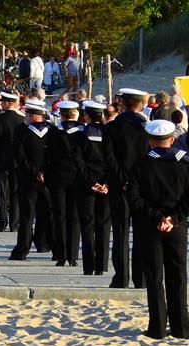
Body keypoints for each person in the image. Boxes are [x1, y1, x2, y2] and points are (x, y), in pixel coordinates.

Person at [127, 119, 189, 339]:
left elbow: (134, 198)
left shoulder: (141, 164)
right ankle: (181, 327)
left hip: (150, 226)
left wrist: (158, 217)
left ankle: (157, 327)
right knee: (177, 276)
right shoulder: (185, 163)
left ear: (150, 141)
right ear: (172, 140)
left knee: (155, 277)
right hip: (176, 226)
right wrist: (173, 218)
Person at [104, 88, 150, 288]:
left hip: (118, 184)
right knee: (141, 232)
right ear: (140, 105)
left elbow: (109, 157)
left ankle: (121, 277)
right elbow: (148, 158)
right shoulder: (147, 128)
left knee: (120, 231)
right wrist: (135, 181)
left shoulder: (111, 127)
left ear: (122, 103)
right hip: (140, 187)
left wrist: (122, 179)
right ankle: (140, 278)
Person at [9, 99, 55, 260]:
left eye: (27, 115)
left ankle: (22, 249)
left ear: (33, 116)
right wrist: (45, 172)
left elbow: (20, 156)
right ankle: (45, 244)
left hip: (28, 179)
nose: (25, 118)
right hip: (47, 180)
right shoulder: (52, 131)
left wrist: (35, 172)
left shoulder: (22, 131)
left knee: (27, 216)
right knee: (46, 214)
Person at [74, 100, 115, 276]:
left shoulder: (80, 136)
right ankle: (101, 265)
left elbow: (79, 162)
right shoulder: (110, 134)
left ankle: (89, 265)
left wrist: (91, 182)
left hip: (86, 185)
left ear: (87, 116)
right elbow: (113, 161)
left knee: (87, 225)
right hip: (106, 186)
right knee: (104, 225)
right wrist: (106, 182)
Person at [48, 100, 83, 267]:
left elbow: (49, 156)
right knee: (74, 216)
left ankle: (61, 254)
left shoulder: (54, 132)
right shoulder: (82, 131)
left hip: (58, 177)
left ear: (61, 115)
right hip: (77, 177)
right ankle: (73, 255)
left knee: (60, 215)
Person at [0, 92, 24, 232]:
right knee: (15, 192)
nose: (1, 104)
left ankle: (2, 222)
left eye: (3, 102)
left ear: (7, 103)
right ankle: (14, 224)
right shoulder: (21, 119)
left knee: (3, 193)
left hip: (1, 161)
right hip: (16, 162)